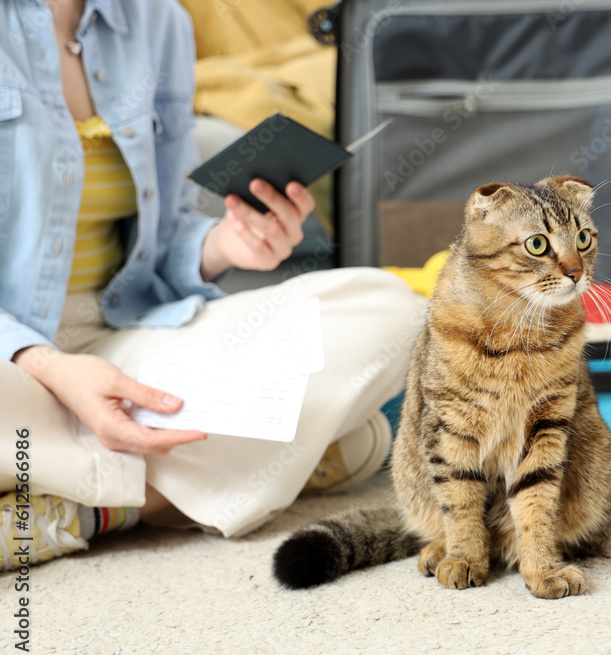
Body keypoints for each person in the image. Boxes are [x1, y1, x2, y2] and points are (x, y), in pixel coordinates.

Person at [0, 0, 420, 571]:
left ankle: (87, 504)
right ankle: (298, 452)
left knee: (388, 309)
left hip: (127, 339)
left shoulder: (158, 22)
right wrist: (47, 366)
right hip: (14, 362)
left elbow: (163, 232)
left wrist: (224, 245)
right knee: (362, 438)